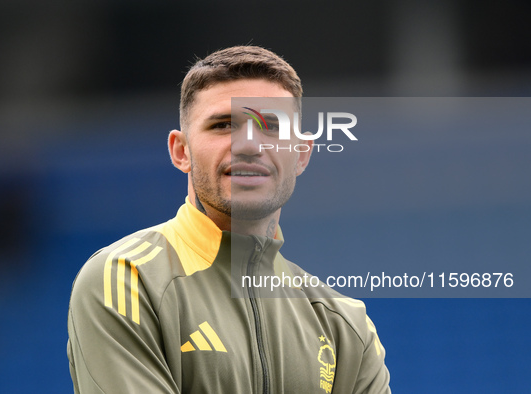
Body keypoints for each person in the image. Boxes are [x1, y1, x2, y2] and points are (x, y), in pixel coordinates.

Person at [67, 45, 391, 393]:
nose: (249, 145)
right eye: (223, 125)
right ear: (181, 151)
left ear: (301, 155)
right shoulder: (126, 280)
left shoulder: (343, 322)